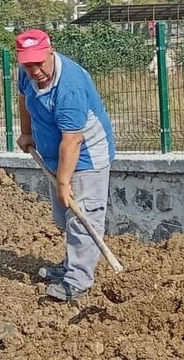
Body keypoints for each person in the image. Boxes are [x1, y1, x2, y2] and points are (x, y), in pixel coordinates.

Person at [15, 28, 115, 302]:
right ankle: (72, 263)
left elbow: (73, 141)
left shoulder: (70, 87)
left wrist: (63, 182)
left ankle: (78, 280)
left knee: (83, 217)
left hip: (85, 157)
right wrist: (26, 132)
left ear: (51, 51)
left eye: (39, 63)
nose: (34, 71)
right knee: (64, 217)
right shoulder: (26, 72)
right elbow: (24, 98)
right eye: (28, 64)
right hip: (55, 154)